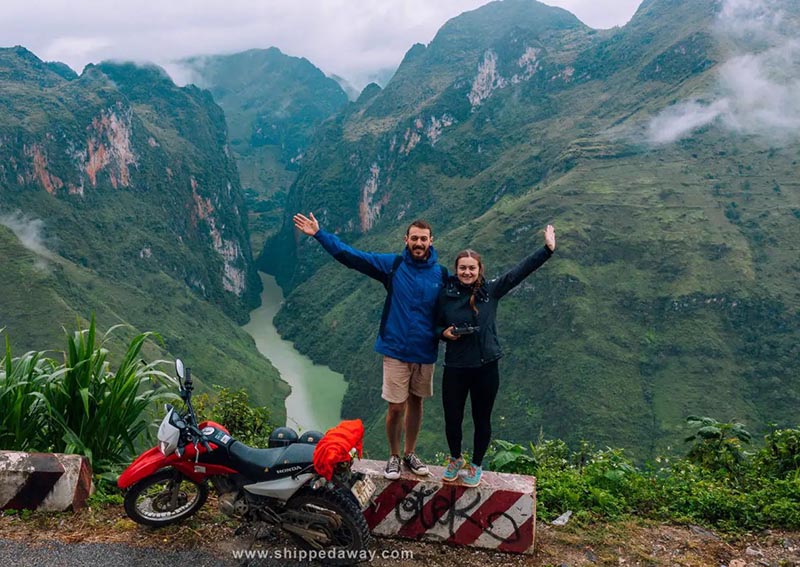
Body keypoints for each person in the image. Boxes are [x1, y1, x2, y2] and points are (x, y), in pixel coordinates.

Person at [293, 212, 447, 479]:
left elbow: (458, 303)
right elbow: (353, 257)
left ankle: (410, 453)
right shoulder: (394, 266)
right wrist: (320, 235)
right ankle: (394, 456)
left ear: (431, 241)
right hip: (396, 349)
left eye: (423, 239)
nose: (419, 243)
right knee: (396, 406)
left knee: (417, 402)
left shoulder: (441, 274)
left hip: (425, 351)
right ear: (406, 240)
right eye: (414, 238)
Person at [436, 224, 556, 487]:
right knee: (452, 417)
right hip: (455, 367)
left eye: (472, 268)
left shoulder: (490, 291)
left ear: (479, 270)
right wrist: (443, 333)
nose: (467, 272)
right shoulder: (445, 295)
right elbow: (431, 324)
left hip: (486, 366)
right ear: (456, 270)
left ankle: (476, 464)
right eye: (462, 267)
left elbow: (518, 273)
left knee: (482, 417)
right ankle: (455, 458)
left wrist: (547, 250)